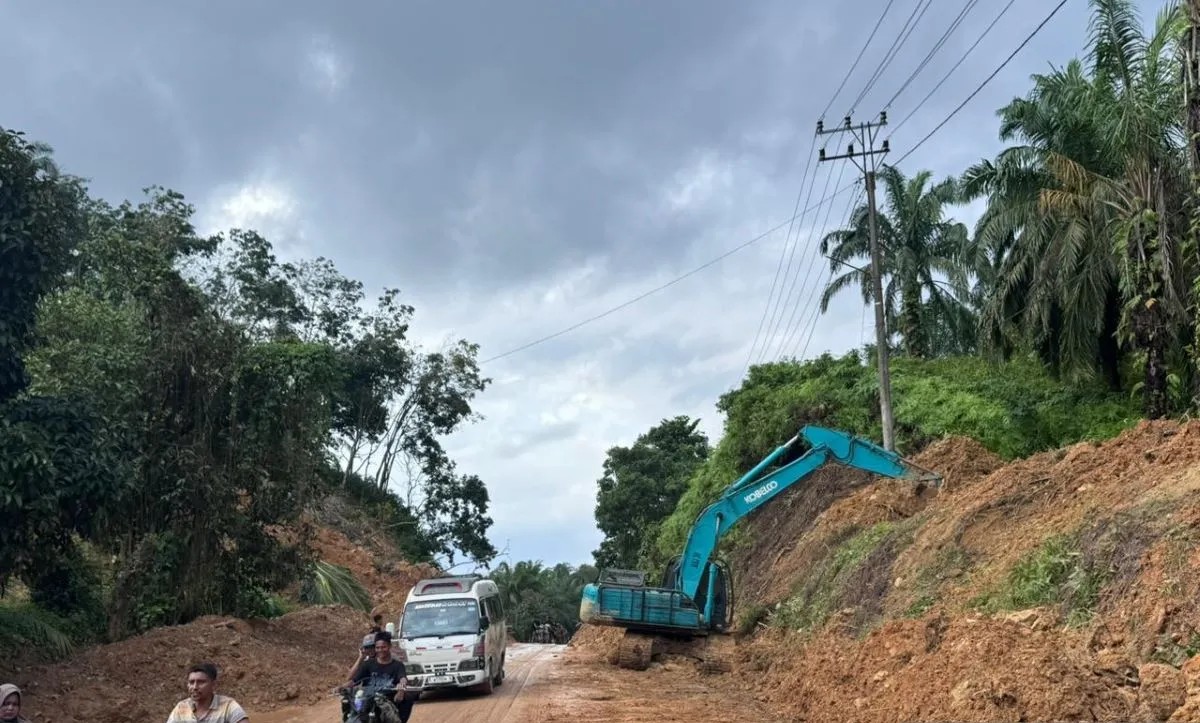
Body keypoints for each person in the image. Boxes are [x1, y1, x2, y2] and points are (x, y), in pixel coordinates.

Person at [340, 631, 413, 723]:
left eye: (383, 647)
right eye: (377, 647)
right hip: (367, 699)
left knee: (393, 716)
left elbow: (402, 678)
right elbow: (354, 680)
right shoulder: (368, 664)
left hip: (386, 700)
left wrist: (401, 687)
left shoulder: (397, 665)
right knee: (351, 709)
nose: (380, 650)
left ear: (389, 646)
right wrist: (342, 687)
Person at [165, 663, 248, 723]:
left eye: (201, 682)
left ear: (213, 684)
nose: (194, 687)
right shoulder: (181, 708)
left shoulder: (228, 706)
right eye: (191, 682)